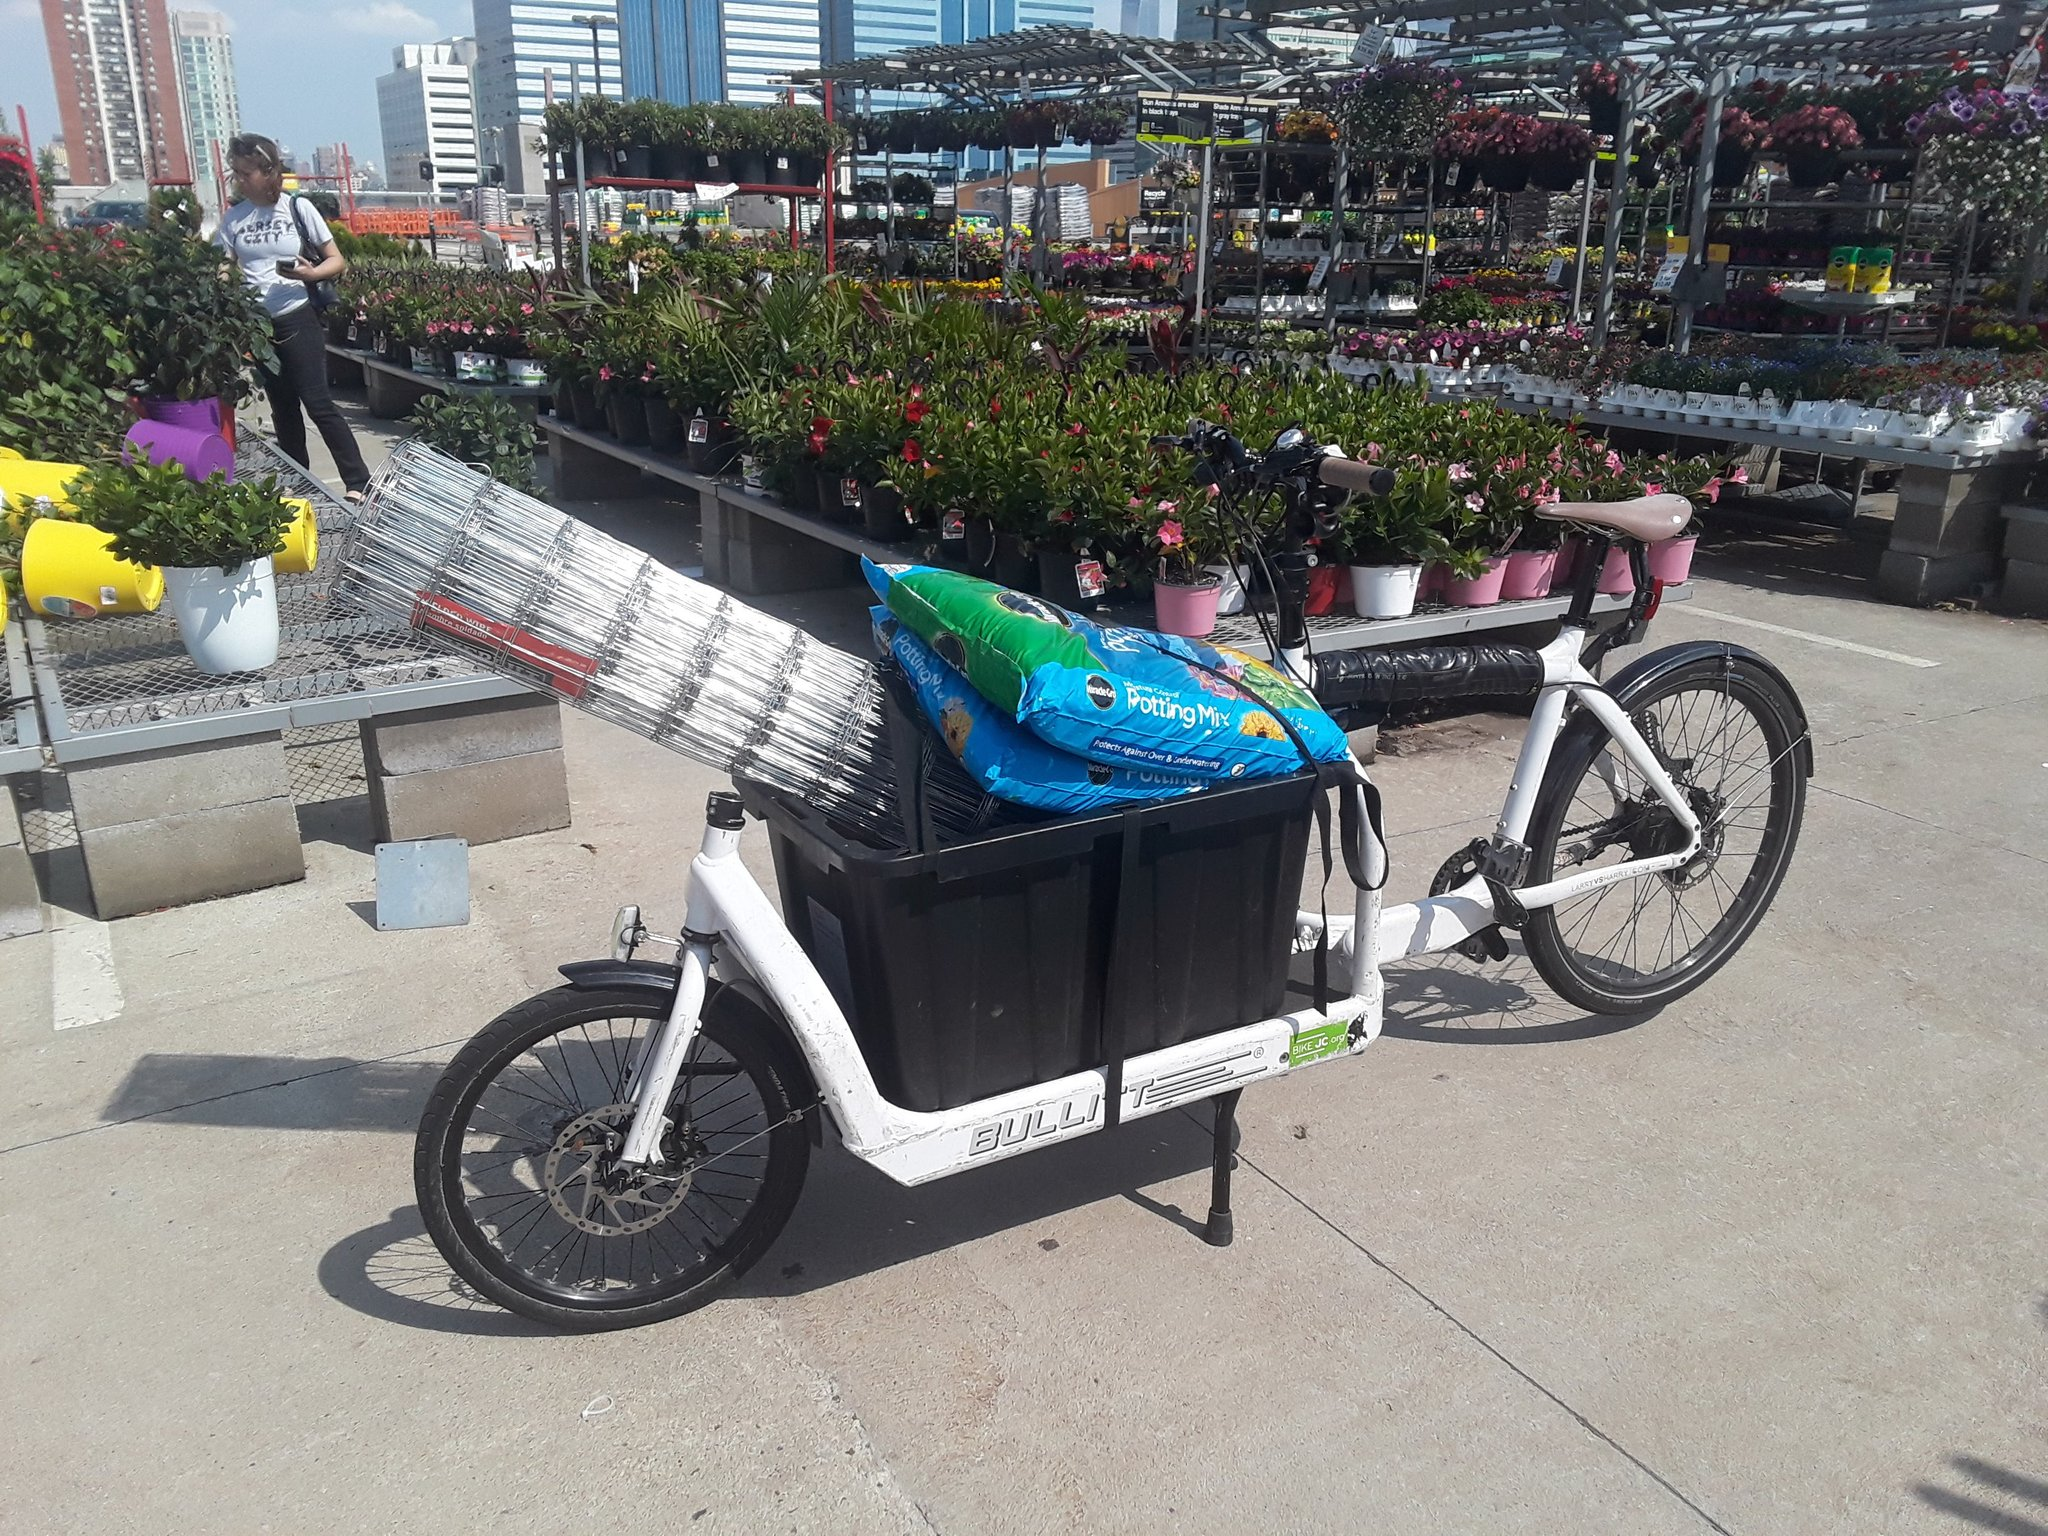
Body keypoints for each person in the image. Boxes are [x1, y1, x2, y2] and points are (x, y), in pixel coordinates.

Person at [216, 133, 370, 501]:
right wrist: (225, 293)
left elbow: (336, 259)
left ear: (268, 171)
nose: (239, 179)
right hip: (258, 323)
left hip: (296, 314)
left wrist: (310, 274)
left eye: (246, 172)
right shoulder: (233, 219)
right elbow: (222, 267)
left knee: (317, 401)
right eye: (235, 172)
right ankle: (298, 480)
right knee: (282, 406)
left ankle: (358, 481)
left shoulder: (297, 208)